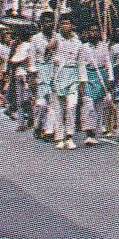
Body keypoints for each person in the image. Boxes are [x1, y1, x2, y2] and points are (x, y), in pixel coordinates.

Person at [48, 15, 83, 150]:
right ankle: (60, 137)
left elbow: (81, 63)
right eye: (62, 24)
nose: (65, 26)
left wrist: (82, 81)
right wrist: (53, 42)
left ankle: (69, 136)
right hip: (58, 75)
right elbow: (48, 50)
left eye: (67, 23)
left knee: (72, 106)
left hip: (72, 76)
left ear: (72, 26)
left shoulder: (78, 43)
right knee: (59, 108)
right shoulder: (57, 39)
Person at [79, 22, 113, 145]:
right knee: (88, 105)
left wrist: (110, 78)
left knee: (99, 106)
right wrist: (82, 81)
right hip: (88, 76)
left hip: (101, 77)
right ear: (88, 33)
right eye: (91, 31)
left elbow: (108, 63)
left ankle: (95, 131)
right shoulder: (83, 47)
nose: (93, 33)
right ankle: (89, 132)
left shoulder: (104, 47)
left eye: (96, 31)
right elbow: (81, 64)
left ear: (99, 33)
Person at [30, 12, 57, 141]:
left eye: (51, 22)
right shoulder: (35, 39)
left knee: (53, 103)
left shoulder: (57, 37)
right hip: (40, 71)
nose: (49, 24)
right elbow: (32, 58)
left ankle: (48, 131)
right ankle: (38, 126)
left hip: (54, 71)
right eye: (46, 22)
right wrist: (33, 77)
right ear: (41, 24)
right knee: (41, 103)